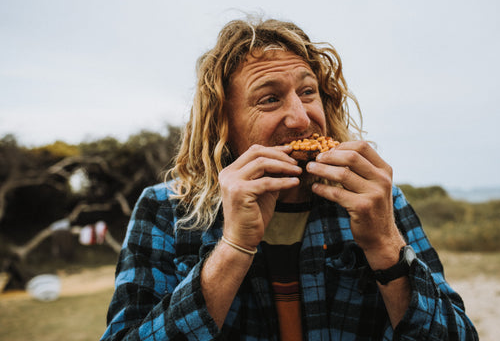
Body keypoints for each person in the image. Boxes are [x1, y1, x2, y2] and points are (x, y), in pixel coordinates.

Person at [101, 18, 478, 340]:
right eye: (269, 99)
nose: (301, 117)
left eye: (308, 92)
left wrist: (384, 245)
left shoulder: (378, 201)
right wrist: (233, 248)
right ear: (223, 125)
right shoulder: (166, 209)